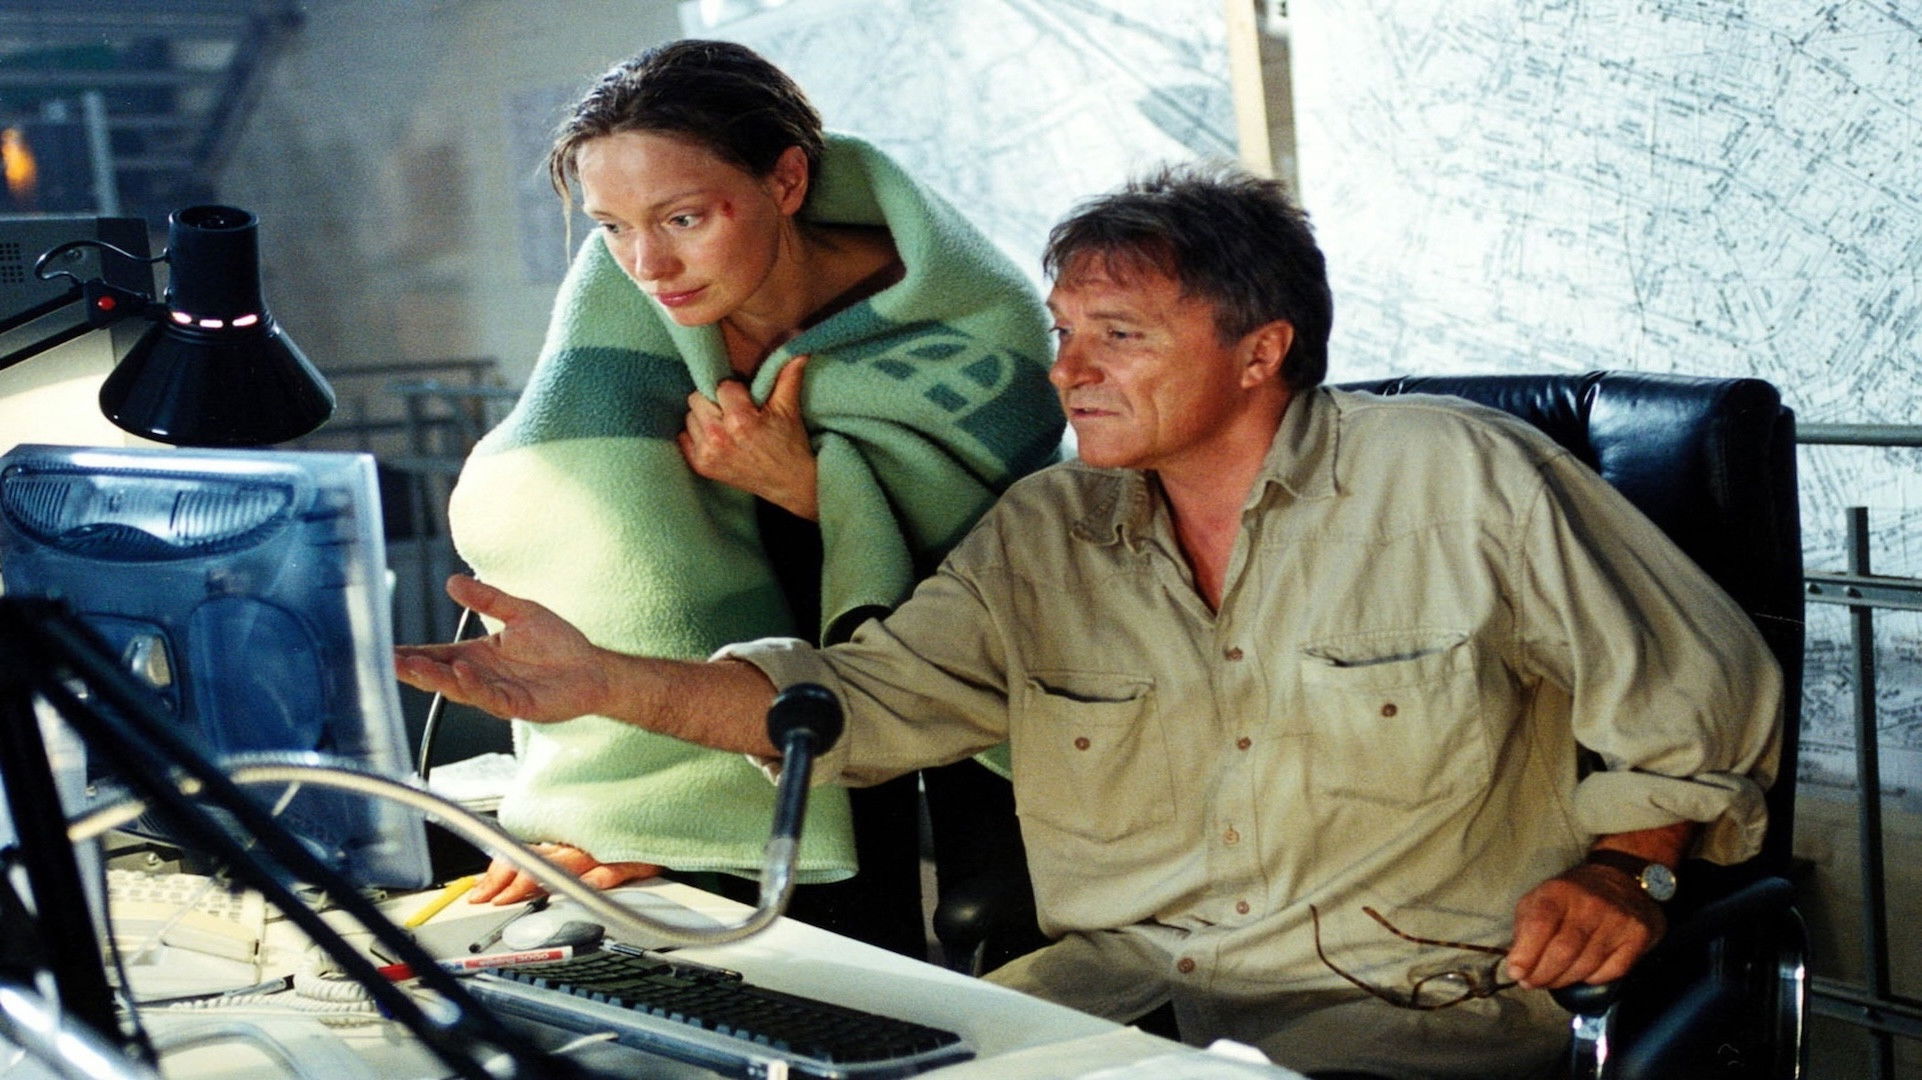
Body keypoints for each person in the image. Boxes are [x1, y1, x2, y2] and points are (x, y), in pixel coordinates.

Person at [400, 164, 1781, 1079]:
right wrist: (603, 682)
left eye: (1118, 334)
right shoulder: (1048, 527)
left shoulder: (1457, 475)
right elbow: (863, 701)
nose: (1068, 371)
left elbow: (1699, 690)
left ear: (1261, 349)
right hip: (1100, 1011)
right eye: (1064, 333)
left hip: (1395, 1024)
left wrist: (1632, 870)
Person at [443, 39, 1062, 953]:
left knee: (990, 934)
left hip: (949, 659)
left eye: (684, 218)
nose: (647, 263)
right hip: (735, 695)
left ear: (788, 180)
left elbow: (1011, 549)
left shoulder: (967, 316)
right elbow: (580, 519)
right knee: (790, 962)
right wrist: (625, 801)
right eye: (611, 225)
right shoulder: (626, 298)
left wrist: (813, 491)